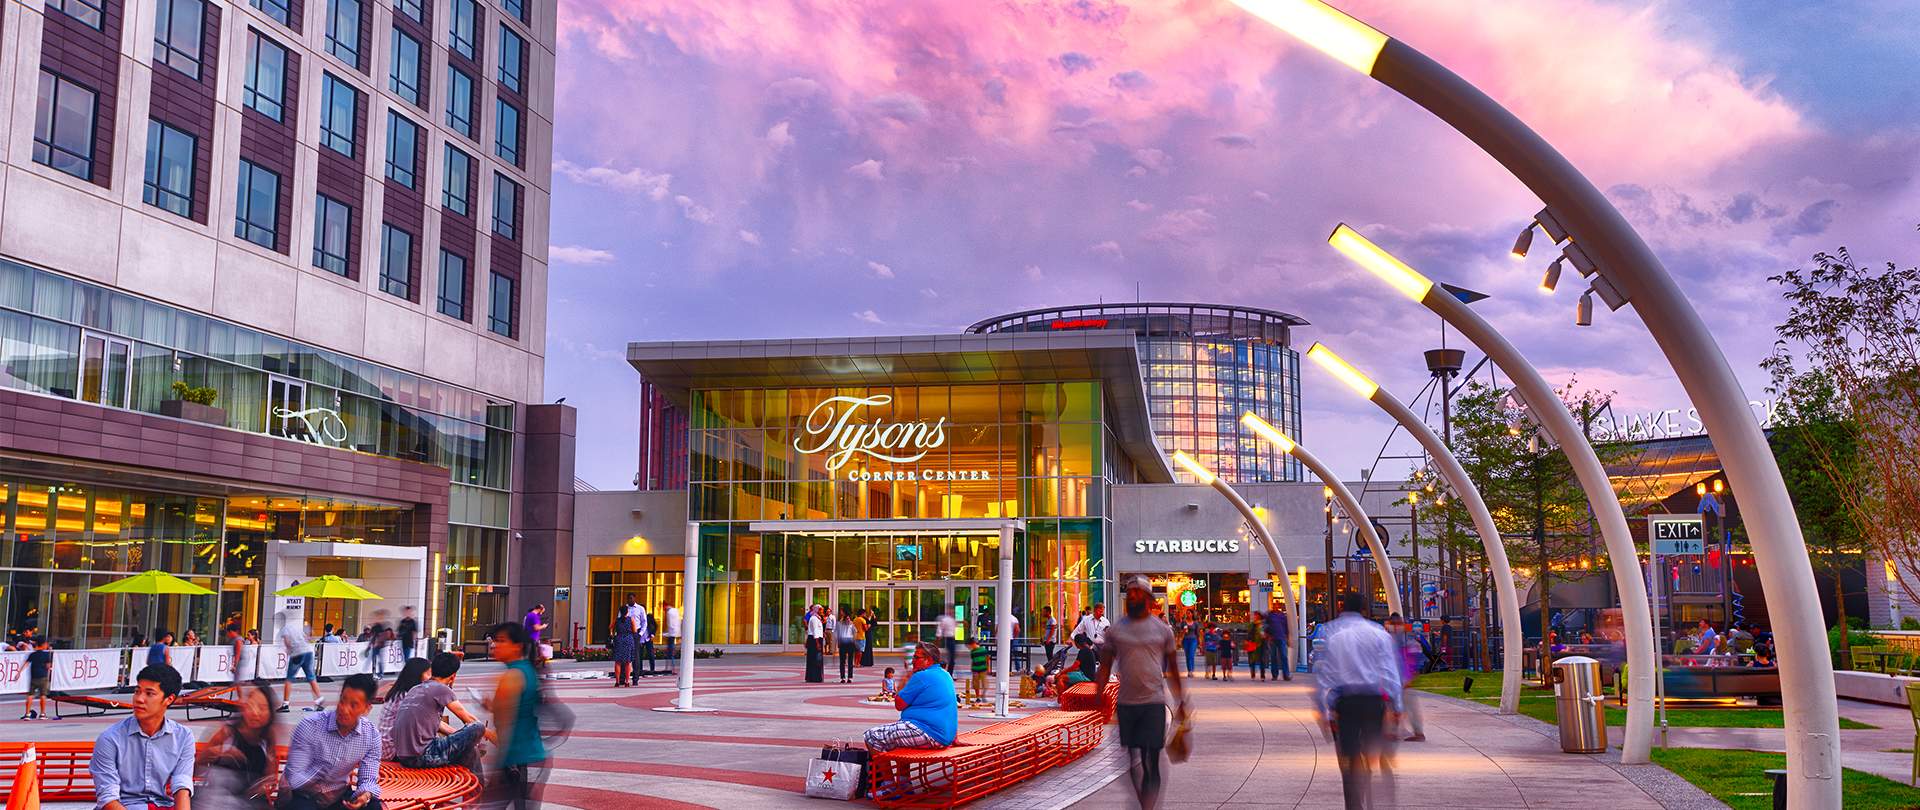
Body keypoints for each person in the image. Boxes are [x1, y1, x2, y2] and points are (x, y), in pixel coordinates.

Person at [1095, 574, 1188, 810]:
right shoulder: (1115, 630)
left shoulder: (1162, 630)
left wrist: (1181, 700)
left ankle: (1148, 806)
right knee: (1130, 760)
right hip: (1126, 704)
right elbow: (1105, 666)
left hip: (1154, 703)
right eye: (1130, 593)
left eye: (1137, 593)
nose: (1132, 596)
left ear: (1148, 598)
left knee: (1151, 760)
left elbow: (1174, 669)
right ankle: (1143, 802)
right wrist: (1098, 695)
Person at [1316, 592, 1403, 810]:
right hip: (1373, 703)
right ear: (1365, 609)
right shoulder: (1378, 634)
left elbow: (1324, 676)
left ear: (1341, 608)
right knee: (1373, 751)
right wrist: (1396, 705)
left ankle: (1353, 803)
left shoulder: (1332, 634)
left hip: (1346, 704)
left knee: (1348, 758)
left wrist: (1325, 710)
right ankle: (1371, 785)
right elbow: (1390, 673)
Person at [92, 664, 196, 810]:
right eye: (137, 691)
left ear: (169, 699)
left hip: (163, 806)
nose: (139, 699)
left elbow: (182, 787)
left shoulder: (183, 737)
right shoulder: (110, 739)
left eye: (149, 693)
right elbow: (108, 798)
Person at [283, 673, 382, 810]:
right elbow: (293, 779)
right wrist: (321, 770)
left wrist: (365, 796)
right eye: (343, 701)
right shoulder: (310, 726)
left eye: (353, 705)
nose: (344, 709)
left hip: (338, 796)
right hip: (303, 795)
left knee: (373, 806)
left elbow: (368, 779)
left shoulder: (371, 735)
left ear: (367, 709)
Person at [390, 653, 493, 772]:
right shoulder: (441, 689)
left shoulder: (416, 688)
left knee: (470, 750)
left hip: (403, 756)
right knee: (478, 727)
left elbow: (438, 724)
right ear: (453, 676)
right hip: (424, 755)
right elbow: (468, 719)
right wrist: (493, 737)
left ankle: (476, 786)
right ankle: (478, 787)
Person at [486, 620, 548, 810]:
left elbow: (506, 723)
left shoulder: (511, 676)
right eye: (495, 640)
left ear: (517, 646)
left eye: (502, 640)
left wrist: (498, 764)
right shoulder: (527, 670)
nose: (495, 645)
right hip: (530, 753)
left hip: (515, 757)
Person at [196, 681, 279, 810]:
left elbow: (271, 774)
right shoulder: (227, 733)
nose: (255, 713)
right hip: (218, 801)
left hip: (250, 802)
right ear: (244, 707)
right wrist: (216, 752)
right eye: (251, 706)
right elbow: (196, 765)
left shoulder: (268, 736)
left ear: (270, 713)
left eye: (262, 708)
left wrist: (267, 781)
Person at [863, 641, 955, 754]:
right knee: (897, 736)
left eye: (916, 657)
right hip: (944, 734)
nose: (913, 661)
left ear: (929, 660)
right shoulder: (945, 674)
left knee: (872, 736)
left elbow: (899, 704)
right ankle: (901, 772)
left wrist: (906, 678)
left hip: (928, 732)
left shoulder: (921, 676)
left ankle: (886, 772)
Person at [377, 658, 433, 759]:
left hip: (387, 747)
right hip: (393, 751)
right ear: (417, 675)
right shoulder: (407, 697)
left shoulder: (401, 692)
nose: (430, 678)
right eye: (428, 674)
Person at [1387, 613, 1425, 742]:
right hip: (1394, 680)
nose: (1396, 627)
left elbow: (1414, 660)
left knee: (1406, 706)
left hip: (1404, 679)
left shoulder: (1407, 640)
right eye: (1393, 624)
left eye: (1397, 624)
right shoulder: (1389, 639)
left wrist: (1410, 677)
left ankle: (1417, 732)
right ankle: (1393, 732)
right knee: (1394, 706)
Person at [280, 613, 323, 713]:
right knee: (311, 677)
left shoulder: (285, 628)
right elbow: (307, 637)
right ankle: (319, 700)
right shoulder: (298, 627)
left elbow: (287, 642)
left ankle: (285, 704)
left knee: (289, 679)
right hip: (308, 651)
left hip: (298, 653)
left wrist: (289, 650)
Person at [19, 636, 56, 720]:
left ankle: (27, 713)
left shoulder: (32, 654)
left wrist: (19, 673)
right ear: (43, 644)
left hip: (33, 677)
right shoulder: (46, 654)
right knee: (43, 695)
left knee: (30, 695)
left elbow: (26, 663)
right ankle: (42, 713)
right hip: (43, 677)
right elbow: (48, 666)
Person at [610, 609, 636, 687]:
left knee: (618, 662)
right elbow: (635, 630)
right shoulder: (631, 619)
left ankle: (617, 682)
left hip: (619, 639)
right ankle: (627, 682)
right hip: (628, 639)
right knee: (628, 662)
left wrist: (613, 634)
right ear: (627, 611)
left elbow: (610, 627)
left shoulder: (617, 620)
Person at [1266, 606, 1292, 681]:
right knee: (1274, 657)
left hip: (1281, 637)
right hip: (1273, 638)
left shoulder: (1282, 616)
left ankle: (1285, 675)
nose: (1276, 607)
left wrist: (1287, 637)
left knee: (1283, 656)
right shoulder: (1270, 615)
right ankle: (1275, 675)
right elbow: (1266, 626)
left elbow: (1286, 627)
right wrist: (1268, 635)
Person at [836, 605, 859, 683]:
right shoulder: (840, 622)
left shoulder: (848, 621)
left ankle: (848, 677)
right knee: (843, 661)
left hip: (848, 642)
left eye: (842, 611)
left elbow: (854, 631)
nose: (840, 612)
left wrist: (853, 640)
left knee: (847, 661)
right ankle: (844, 677)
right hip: (845, 642)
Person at [634, 599, 657, 679]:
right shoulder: (637, 619)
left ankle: (652, 669)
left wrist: (652, 635)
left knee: (650, 654)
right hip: (640, 639)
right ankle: (639, 670)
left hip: (648, 639)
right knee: (639, 655)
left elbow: (655, 627)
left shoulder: (649, 617)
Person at [804, 604, 826, 683]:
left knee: (817, 659)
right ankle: (814, 677)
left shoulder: (818, 618)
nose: (822, 611)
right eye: (820, 610)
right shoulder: (813, 618)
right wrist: (817, 643)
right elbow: (815, 631)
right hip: (814, 640)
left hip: (817, 639)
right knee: (815, 659)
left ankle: (816, 676)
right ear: (817, 610)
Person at [1178, 610, 1198, 678]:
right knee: (1187, 656)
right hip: (1185, 640)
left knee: (1191, 655)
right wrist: (1183, 631)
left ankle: (1191, 671)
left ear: (1192, 614)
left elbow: (1197, 633)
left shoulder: (1195, 623)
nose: (1188, 615)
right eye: (1186, 613)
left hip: (1193, 640)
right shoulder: (1183, 623)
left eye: (1189, 613)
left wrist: (1200, 643)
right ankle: (1189, 670)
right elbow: (1180, 632)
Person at [663, 601, 682, 675]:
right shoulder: (676, 611)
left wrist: (666, 633)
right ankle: (672, 668)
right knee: (671, 652)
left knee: (670, 652)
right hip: (675, 633)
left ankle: (671, 669)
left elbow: (670, 624)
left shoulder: (669, 613)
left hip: (671, 634)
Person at [1249, 613, 1268, 681]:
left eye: (1256, 615)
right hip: (1253, 643)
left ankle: (1262, 675)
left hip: (1261, 643)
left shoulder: (1263, 625)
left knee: (1261, 660)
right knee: (1252, 660)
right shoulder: (1252, 624)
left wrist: (1265, 635)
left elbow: (1266, 632)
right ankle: (1253, 674)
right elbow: (1249, 633)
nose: (1255, 617)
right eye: (1254, 615)